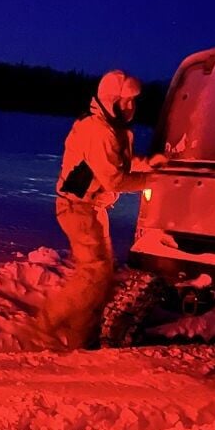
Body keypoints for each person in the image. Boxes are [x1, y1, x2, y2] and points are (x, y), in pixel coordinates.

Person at [36, 70, 164, 351]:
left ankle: (80, 339)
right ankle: (46, 323)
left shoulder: (110, 127)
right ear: (111, 101)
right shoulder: (99, 131)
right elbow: (114, 179)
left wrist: (147, 164)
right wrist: (153, 181)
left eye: (133, 101)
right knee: (92, 274)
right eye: (125, 101)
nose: (130, 107)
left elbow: (118, 163)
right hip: (77, 209)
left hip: (92, 208)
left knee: (100, 275)